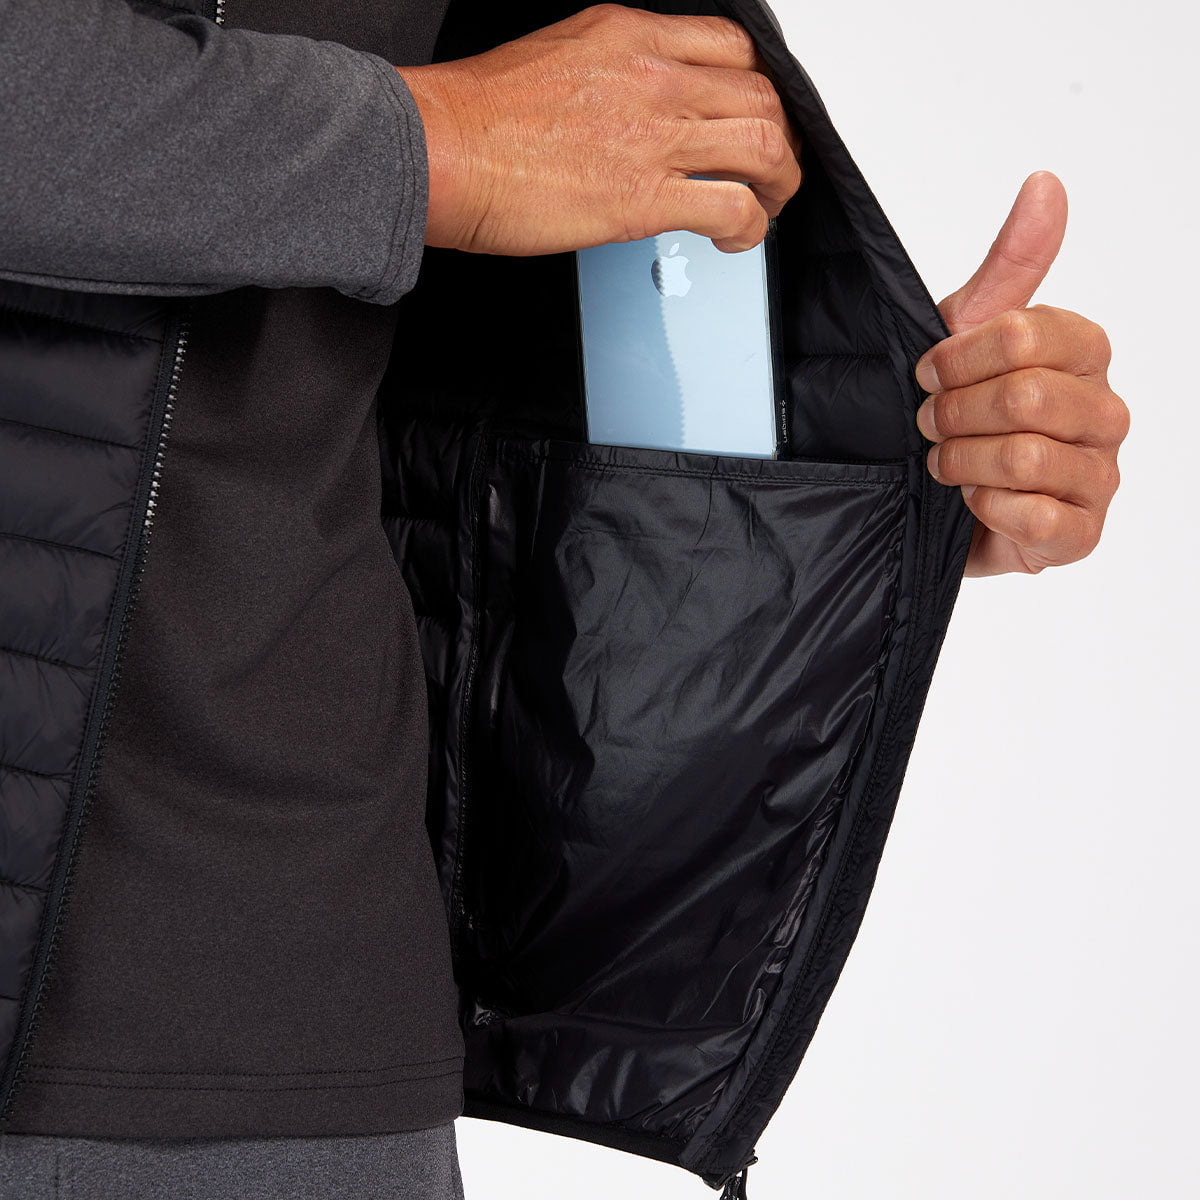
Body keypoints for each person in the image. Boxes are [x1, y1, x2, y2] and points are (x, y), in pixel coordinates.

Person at [0, 2, 1127, 1197]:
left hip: (304, 989)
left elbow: (419, 332)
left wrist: (843, 480)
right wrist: (427, 143)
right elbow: (465, 146)